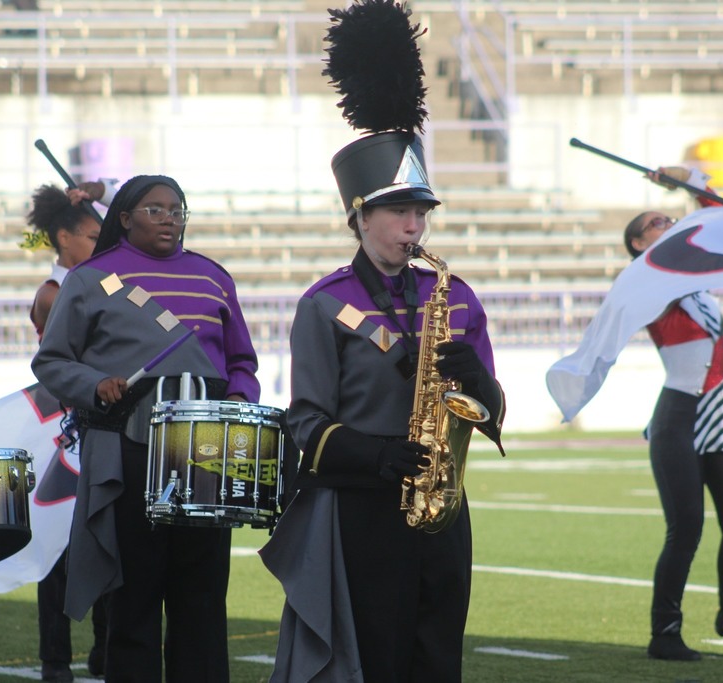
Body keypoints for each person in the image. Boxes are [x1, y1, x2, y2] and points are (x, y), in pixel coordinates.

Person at [260, 2, 505, 681]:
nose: (413, 226)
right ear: (359, 216)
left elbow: (494, 414)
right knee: (378, 659)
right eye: (399, 211)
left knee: (438, 659)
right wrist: (378, 455)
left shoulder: (454, 295)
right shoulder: (324, 304)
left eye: (420, 211)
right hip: (364, 512)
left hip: (443, 509)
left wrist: (479, 386)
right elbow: (306, 423)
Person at [31, 174, 261, 683]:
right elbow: (51, 362)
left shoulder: (213, 277)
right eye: (155, 210)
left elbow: (243, 361)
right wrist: (96, 384)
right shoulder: (90, 279)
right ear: (125, 216)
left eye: (177, 210)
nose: (169, 219)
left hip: (206, 453)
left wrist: (238, 402)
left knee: (201, 601)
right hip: (129, 450)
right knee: (133, 601)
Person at [624, 165, 723, 661]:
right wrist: (686, 197)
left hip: (721, 407)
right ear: (639, 245)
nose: (669, 223)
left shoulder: (698, 277)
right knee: (686, 528)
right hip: (679, 416)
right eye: (657, 222)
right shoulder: (648, 282)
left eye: (670, 217)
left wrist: (690, 181)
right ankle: (664, 633)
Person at [22, 184, 107, 682]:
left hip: (93, 427)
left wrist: (97, 190)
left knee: (101, 542)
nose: (101, 245)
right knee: (59, 550)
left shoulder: (94, 283)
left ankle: (102, 647)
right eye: (93, 237)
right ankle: (56, 659)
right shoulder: (54, 294)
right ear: (64, 238)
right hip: (65, 433)